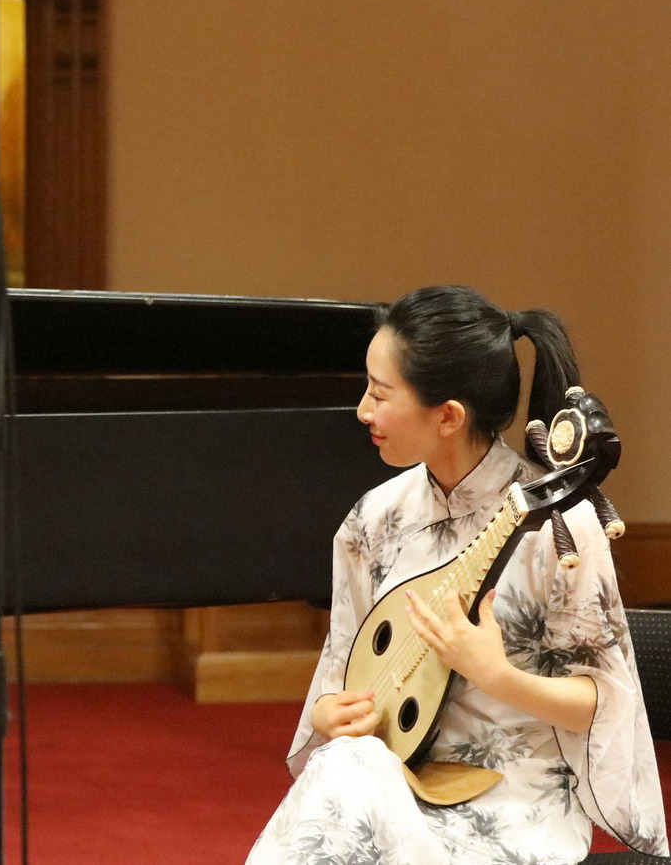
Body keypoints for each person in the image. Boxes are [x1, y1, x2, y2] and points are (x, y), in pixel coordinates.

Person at [249, 285, 667, 864]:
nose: (362, 410)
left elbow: (604, 705)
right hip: (390, 777)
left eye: (379, 392)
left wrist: (494, 673)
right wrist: (328, 712)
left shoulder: (559, 526)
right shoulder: (373, 521)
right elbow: (343, 671)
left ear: (447, 415)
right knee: (347, 765)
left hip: (515, 806)